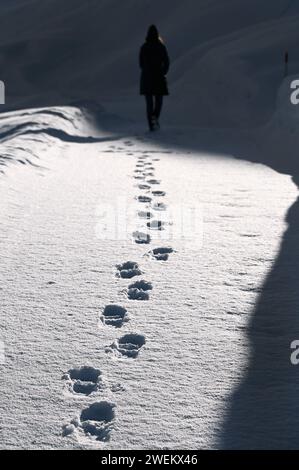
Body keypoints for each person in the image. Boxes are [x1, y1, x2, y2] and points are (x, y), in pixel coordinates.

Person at [139, 25, 170, 131]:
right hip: (158, 78)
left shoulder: (144, 47)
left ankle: (151, 125)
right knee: (159, 102)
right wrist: (163, 72)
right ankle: (155, 119)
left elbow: (141, 64)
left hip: (147, 78)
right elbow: (167, 62)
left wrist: (147, 71)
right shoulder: (161, 46)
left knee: (149, 103)